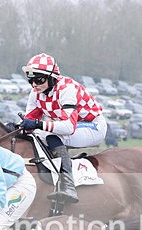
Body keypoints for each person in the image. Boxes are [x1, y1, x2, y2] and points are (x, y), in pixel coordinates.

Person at [19, 53, 106, 203]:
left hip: (93, 126)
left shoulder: (67, 89)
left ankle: (68, 185)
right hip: (73, 125)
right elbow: (30, 121)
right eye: (31, 80)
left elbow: (68, 127)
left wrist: (39, 124)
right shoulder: (36, 92)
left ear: (52, 77)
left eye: (39, 79)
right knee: (36, 136)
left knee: (52, 136)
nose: (34, 85)